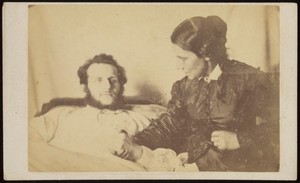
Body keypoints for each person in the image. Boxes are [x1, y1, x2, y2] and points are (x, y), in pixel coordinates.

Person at [115, 16, 279, 172]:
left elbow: (285, 125)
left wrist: (240, 139)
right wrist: (133, 141)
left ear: (206, 55)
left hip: (239, 167)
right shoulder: (184, 87)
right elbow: (169, 125)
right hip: (196, 164)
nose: (179, 67)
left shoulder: (248, 79)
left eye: (183, 59)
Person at [28, 54, 171, 171]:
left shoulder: (142, 118)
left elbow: (167, 166)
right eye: (98, 80)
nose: (107, 86)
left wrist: (137, 152)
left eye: (113, 80)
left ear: (121, 85)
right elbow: (22, 142)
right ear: (85, 86)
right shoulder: (61, 115)